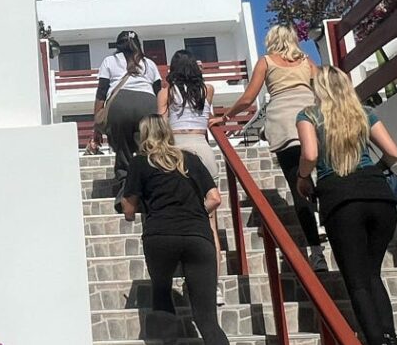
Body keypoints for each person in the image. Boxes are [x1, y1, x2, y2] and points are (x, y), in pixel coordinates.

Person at [120, 116, 246, 345]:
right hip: (197, 236)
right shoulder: (189, 160)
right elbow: (216, 199)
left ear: (143, 137)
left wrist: (130, 209)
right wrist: (191, 212)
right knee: (207, 318)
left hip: (160, 235)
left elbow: (129, 208)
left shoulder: (139, 162)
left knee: (161, 288)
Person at [294, 66, 397, 345]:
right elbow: (393, 152)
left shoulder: (309, 115)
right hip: (380, 199)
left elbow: (310, 154)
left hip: (341, 201)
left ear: (320, 89)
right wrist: (375, 172)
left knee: (356, 283)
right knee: (372, 276)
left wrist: (302, 180)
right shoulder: (364, 113)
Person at [218, 25, 326, 271]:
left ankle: (316, 253)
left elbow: (248, 98)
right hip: (313, 119)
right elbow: (324, 88)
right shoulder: (306, 60)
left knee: (297, 187)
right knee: (324, 177)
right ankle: (325, 221)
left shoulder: (266, 62)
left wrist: (225, 118)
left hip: (284, 126)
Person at [158, 49, 226, 303]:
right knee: (210, 225)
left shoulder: (167, 93)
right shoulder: (206, 91)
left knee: (179, 216)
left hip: (177, 152)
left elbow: (161, 127)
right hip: (203, 148)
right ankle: (214, 287)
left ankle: (184, 271)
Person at [93, 30, 161, 204]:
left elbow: (101, 94)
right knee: (147, 147)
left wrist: (96, 127)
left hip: (120, 105)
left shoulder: (110, 61)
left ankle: (126, 188)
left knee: (122, 147)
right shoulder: (149, 64)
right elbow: (159, 91)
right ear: (138, 44)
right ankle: (151, 184)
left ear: (118, 46)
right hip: (148, 103)